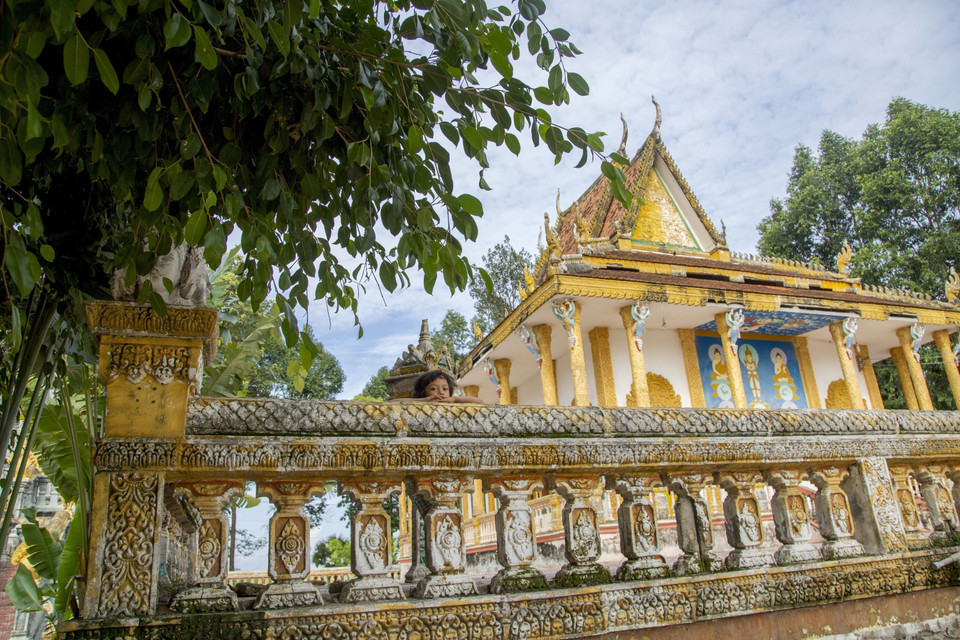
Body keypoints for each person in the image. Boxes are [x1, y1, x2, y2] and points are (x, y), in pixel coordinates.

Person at [393, 370, 483, 403]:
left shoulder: (453, 403)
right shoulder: (421, 403)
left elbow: (480, 401)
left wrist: (455, 399)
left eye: (445, 389)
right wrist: (423, 400)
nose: (441, 392)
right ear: (423, 392)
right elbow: (394, 402)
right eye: (434, 389)